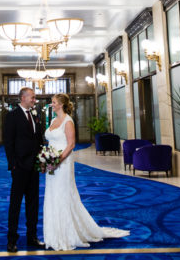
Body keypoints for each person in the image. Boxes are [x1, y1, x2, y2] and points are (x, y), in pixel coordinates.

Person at [43, 93, 130, 251]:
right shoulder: (54, 120)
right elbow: (50, 141)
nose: (52, 104)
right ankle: (54, 232)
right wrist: (47, 158)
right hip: (52, 162)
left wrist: (57, 161)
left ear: (61, 104)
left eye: (54, 102)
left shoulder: (68, 121)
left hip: (62, 162)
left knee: (63, 194)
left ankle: (66, 234)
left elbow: (71, 145)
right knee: (52, 194)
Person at [3, 87, 44, 253]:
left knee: (33, 203)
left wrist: (42, 159)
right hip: (19, 167)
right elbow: (8, 141)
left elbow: (38, 139)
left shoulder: (35, 114)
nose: (34, 100)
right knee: (15, 204)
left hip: (34, 166)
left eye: (34, 98)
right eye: (32, 97)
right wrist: (13, 164)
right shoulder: (12, 116)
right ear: (23, 98)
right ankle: (12, 240)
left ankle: (32, 236)